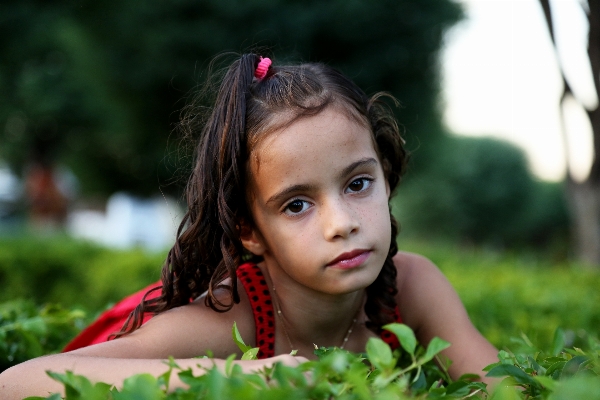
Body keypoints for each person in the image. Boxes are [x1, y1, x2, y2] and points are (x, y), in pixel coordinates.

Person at [0, 54, 498, 398]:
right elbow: (15, 383)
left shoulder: (412, 286)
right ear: (249, 230)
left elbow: (500, 385)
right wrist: (247, 376)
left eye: (357, 184)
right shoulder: (232, 318)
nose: (342, 224)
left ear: (385, 176)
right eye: (297, 205)